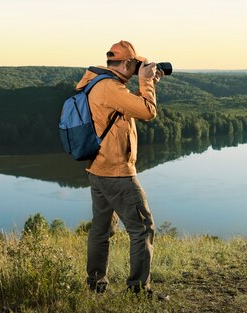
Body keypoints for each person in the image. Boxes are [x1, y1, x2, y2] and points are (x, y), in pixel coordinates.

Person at [75, 40, 167, 300]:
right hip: (117, 172)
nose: (139, 68)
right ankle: (138, 290)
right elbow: (148, 112)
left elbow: (125, 111)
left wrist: (147, 83)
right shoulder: (110, 87)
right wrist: (146, 82)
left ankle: (96, 283)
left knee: (101, 229)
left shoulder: (96, 83)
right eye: (136, 64)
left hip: (97, 168)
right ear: (127, 63)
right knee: (143, 228)